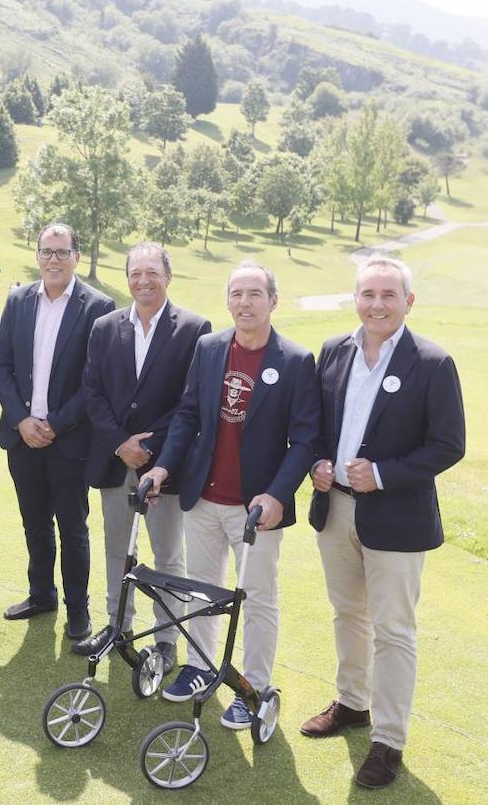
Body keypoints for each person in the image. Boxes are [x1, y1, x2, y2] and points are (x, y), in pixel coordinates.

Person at [299, 256, 465, 789]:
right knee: (348, 612)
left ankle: (388, 740)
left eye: (388, 295)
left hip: (396, 515)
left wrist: (386, 475)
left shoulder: (433, 363)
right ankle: (352, 703)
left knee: (394, 630)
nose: (377, 304)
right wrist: (317, 464)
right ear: (355, 298)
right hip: (337, 507)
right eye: (367, 294)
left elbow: (448, 445)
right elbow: (317, 427)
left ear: (408, 302)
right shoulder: (333, 352)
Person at [143, 261, 319, 730]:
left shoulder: (296, 361)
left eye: (255, 294)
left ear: (273, 301)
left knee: (258, 598)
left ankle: (254, 687)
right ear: (227, 301)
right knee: (203, 588)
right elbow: (186, 417)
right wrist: (163, 467)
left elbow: (304, 440)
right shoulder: (209, 347)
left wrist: (279, 495)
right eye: (237, 294)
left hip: (257, 510)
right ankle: (201, 667)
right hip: (203, 498)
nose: (245, 302)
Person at [76, 243, 211, 666]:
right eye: (136, 273)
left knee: (168, 555)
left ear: (167, 276)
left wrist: (149, 448)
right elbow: (92, 392)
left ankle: (168, 640)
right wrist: (121, 443)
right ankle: (119, 626)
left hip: (167, 464)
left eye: (152, 272)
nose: (143, 281)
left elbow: (193, 402)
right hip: (116, 462)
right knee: (117, 548)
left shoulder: (194, 328)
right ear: (127, 277)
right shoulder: (104, 327)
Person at [0, 223, 115, 641]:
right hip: (22, 438)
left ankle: (77, 610)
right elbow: (1, 365)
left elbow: (95, 381)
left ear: (77, 257)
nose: (54, 259)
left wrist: (56, 424)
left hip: (70, 440)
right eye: (47, 251)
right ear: (37, 256)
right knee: (34, 522)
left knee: (73, 527)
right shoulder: (18, 300)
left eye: (63, 252)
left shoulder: (98, 307)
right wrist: (21, 420)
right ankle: (41, 593)